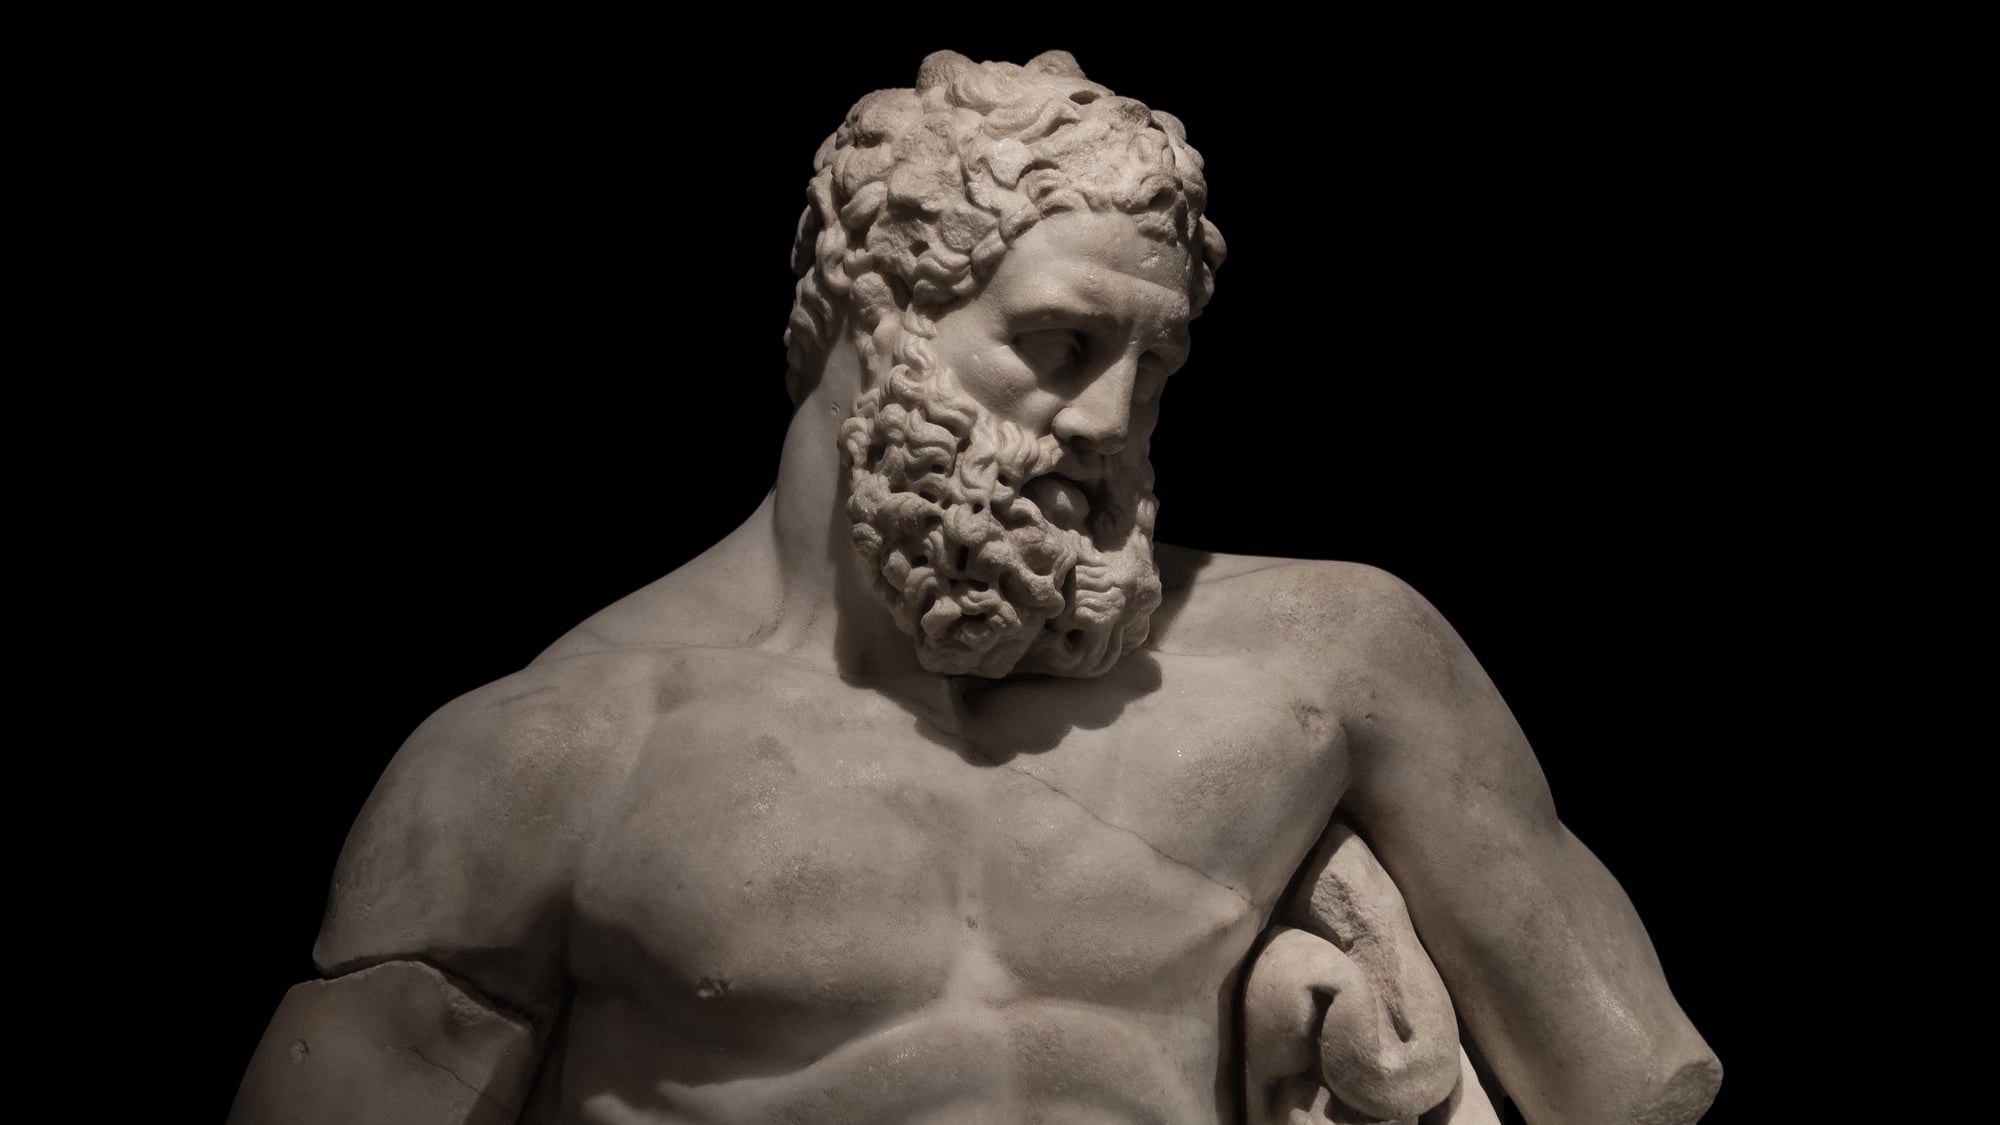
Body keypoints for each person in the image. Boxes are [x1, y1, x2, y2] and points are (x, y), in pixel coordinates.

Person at [232, 50, 1719, 1125]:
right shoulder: (548, 758)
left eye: (1153, 368)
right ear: (866, 321)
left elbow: (1636, 1086)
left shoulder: (1336, 662)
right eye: (1060, 345)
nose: (1109, 420)